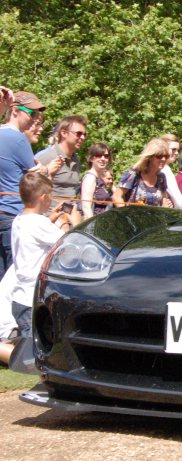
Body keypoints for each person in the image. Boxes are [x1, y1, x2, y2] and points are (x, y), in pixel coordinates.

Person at [11, 172, 81, 337]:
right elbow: (69, 244)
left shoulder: (20, 219)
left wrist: (50, 219)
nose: (51, 200)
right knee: (32, 354)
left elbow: (34, 237)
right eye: (50, 196)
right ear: (43, 197)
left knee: (28, 346)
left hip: (20, 297)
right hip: (32, 299)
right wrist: (76, 222)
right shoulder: (39, 223)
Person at [0, 90, 58, 279]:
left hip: (3, 214)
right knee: (15, 276)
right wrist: (46, 169)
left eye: (37, 115)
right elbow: (37, 173)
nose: (35, 120)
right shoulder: (17, 138)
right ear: (15, 110)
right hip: (13, 215)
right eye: (31, 114)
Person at [35, 115, 87, 207]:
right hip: (50, 216)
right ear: (64, 133)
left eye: (84, 134)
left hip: (71, 215)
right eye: (79, 133)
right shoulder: (46, 157)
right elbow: (30, 190)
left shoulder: (76, 160)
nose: (82, 137)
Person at [113, 138, 171, 208]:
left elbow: (164, 201)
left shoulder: (161, 177)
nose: (163, 159)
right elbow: (116, 196)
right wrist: (125, 214)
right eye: (159, 156)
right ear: (150, 157)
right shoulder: (133, 174)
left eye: (166, 156)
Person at [80, 143, 114, 218]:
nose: (103, 159)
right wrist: (91, 227)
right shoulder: (90, 178)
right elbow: (86, 207)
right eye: (99, 155)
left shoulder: (100, 178)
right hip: (93, 222)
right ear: (91, 158)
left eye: (106, 156)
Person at [159, 133, 182, 210]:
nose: (177, 153)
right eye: (173, 149)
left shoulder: (166, 169)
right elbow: (178, 202)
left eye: (177, 150)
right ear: (163, 148)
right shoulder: (163, 170)